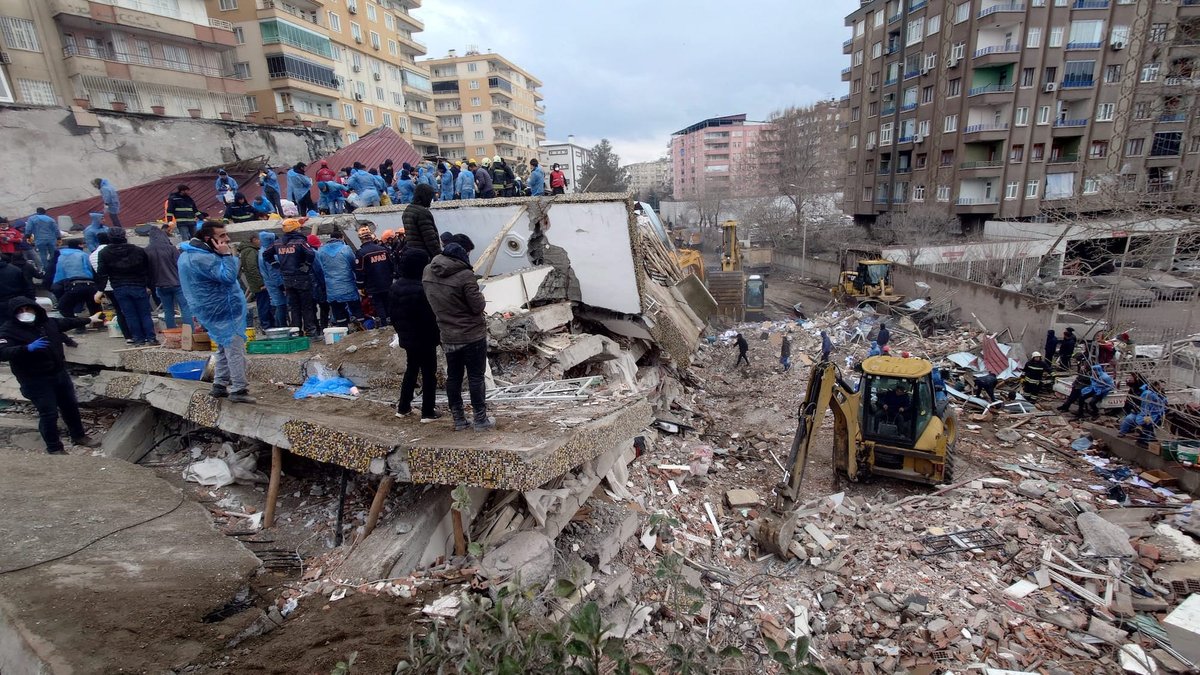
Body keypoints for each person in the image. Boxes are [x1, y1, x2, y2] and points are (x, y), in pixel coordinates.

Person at [0, 297, 102, 452]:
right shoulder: (8, 330)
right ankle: (54, 448)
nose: (25, 313)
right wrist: (26, 349)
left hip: (58, 373)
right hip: (34, 379)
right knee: (49, 413)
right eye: (20, 311)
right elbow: (2, 352)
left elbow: (68, 322)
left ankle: (79, 436)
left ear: (35, 309)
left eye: (28, 309)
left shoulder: (47, 323)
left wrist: (90, 319)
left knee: (70, 407)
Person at [179, 222, 255, 404]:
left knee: (222, 347)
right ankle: (238, 388)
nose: (227, 239)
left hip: (212, 312)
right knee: (235, 350)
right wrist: (227, 255)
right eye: (222, 236)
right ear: (208, 238)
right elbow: (228, 277)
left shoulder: (188, 255)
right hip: (224, 311)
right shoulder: (202, 258)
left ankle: (219, 385)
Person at [424, 242, 492, 431]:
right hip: (471, 334)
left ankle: (459, 420)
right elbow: (477, 306)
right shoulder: (465, 275)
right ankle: (480, 420)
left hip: (448, 334)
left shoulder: (428, 272)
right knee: (476, 377)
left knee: (453, 377)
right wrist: (480, 296)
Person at [388, 248, 441, 421]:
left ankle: (403, 407)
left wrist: (402, 333)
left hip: (407, 337)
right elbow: (429, 317)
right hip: (425, 338)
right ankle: (428, 412)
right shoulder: (422, 288)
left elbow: (393, 315)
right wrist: (437, 337)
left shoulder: (395, 287)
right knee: (428, 373)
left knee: (411, 370)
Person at [97, 227, 157, 345]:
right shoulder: (138, 250)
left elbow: (102, 273)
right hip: (138, 285)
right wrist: (149, 285)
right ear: (124, 236)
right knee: (145, 313)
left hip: (119, 286)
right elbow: (147, 269)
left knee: (130, 314)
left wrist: (100, 290)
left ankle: (138, 339)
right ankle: (151, 338)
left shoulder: (104, 253)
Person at [263, 219, 319, 337]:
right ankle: (311, 332)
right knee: (307, 306)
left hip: (287, 279)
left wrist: (274, 263)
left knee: (294, 307)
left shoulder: (278, 243)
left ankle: (296, 332)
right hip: (301, 277)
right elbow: (311, 253)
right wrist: (307, 265)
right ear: (295, 228)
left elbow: (266, 254)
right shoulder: (300, 242)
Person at [145, 220, 191, 330]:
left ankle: (171, 332)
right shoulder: (171, 249)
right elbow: (180, 264)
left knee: (168, 310)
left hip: (161, 285)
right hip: (177, 283)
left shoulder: (147, 251)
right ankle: (190, 333)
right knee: (185, 308)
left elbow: (147, 270)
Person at [315, 229, 362, 327]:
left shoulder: (321, 251)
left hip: (332, 289)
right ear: (341, 238)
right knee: (356, 310)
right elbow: (354, 266)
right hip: (348, 286)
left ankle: (343, 331)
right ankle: (361, 329)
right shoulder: (346, 249)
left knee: (339, 313)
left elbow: (319, 270)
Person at [52, 239, 100, 321]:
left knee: (64, 306)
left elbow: (57, 272)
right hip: (89, 283)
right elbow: (90, 269)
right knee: (94, 305)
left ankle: (76, 323)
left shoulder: (60, 255)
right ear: (80, 245)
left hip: (70, 285)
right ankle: (99, 323)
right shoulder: (83, 255)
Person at [354, 226, 393, 325]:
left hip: (373, 286)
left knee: (379, 306)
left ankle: (384, 325)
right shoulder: (383, 250)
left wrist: (360, 287)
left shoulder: (361, 253)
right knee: (388, 304)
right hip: (387, 283)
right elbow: (391, 265)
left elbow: (360, 272)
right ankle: (392, 323)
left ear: (360, 239)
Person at [257, 231, 287, 329]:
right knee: (281, 305)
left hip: (269, 281)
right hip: (275, 282)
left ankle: (279, 326)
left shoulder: (261, 251)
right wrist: (281, 285)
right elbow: (275, 272)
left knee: (276, 304)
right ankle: (282, 327)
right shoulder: (271, 254)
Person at [403, 184, 441, 258]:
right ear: (425, 197)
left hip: (413, 253)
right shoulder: (422, 213)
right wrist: (439, 257)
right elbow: (430, 239)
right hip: (425, 255)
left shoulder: (407, 210)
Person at [237, 233, 266, 329]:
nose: (260, 242)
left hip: (255, 283)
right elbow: (252, 267)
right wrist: (260, 283)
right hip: (258, 284)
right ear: (254, 240)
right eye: (259, 240)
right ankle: (266, 326)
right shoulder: (250, 251)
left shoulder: (247, 250)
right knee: (263, 305)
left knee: (262, 304)